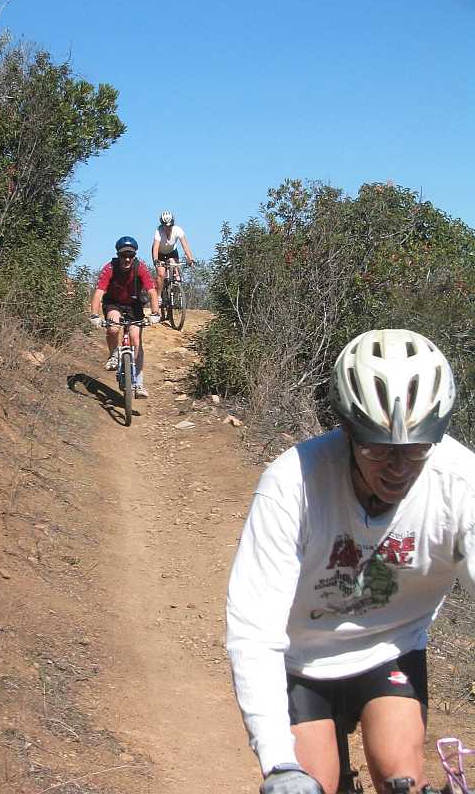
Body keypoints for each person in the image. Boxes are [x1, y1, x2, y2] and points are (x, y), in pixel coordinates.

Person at [226, 329, 475, 794]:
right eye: (377, 448)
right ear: (346, 431)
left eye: (416, 448)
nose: (398, 468)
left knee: (403, 777)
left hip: (390, 644)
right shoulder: (292, 483)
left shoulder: (461, 484)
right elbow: (253, 629)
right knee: (311, 784)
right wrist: (280, 764)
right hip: (299, 659)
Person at [90, 236, 160, 399]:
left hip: (134, 305)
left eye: (130, 255)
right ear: (118, 255)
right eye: (123, 255)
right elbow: (99, 293)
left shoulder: (140, 268)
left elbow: (152, 292)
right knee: (113, 328)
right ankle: (114, 354)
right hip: (114, 303)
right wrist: (94, 315)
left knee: (136, 339)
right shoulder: (109, 268)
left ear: (134, 255)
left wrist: (155, 313)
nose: (127, 259)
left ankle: (138, 383)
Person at [151, 211, 195, 302]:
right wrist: (156, 260)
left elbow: (185, 246)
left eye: (170, 226)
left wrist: (191, 259)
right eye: (165, 226)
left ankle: (176, 286)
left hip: (172, 252)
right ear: (162, 225)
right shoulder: (158, 232)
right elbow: (155, 248)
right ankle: (159, 296)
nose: (168, 228)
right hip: (159, 253)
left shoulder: (178, 230)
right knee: (161, 273)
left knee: (175, 266)